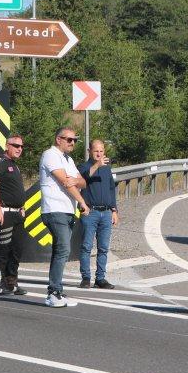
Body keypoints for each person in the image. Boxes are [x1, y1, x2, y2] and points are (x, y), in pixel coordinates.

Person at [38, 127, 90, 308]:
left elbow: (81, 181)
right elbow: (64, 182)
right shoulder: (50, 155)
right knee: (63, 250)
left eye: (75, 140)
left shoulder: (68, 159)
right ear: (58, 139)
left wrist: (75, 180)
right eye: (69, 140)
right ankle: (53, 292)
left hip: (67, 210)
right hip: (55, 209)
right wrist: (82, 202)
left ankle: (56, 290)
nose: (72, 143)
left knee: (60, 251)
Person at [0, 135, 28, 296]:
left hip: (17, 214)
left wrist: (22, 206)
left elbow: (15, 189)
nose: (19, 149)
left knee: (16, 250)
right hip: (4, 213)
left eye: (21, 146)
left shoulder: (14, 165)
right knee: (2, 249)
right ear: (7, 146)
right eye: (16, 145)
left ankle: (12, 283)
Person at [78, 139, 118, 289]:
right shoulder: (84, 166)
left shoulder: (107, 168)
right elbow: (83, 178)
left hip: (106, 212)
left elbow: (111, 189)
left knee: (103, 248)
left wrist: (114, 210)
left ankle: (100, 278)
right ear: (89, 151)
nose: (99, 154)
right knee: (86, 246)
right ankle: (86, 278)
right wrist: (97, 165)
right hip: (90, 212)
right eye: (96, 151)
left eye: (101, 151)